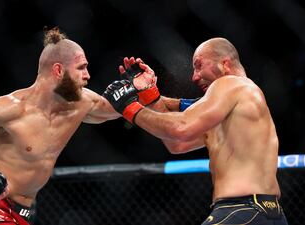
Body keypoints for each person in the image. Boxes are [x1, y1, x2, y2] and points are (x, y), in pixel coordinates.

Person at [0, 27, 155, 225]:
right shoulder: (10, 109)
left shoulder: (82, 103)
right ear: (58, 71)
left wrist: (139, 89)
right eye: (81, 68)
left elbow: (118, 109)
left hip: (26, 213)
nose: (88, 75)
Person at [103, 37, 288, 224]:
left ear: (225, 63)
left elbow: (181, 127)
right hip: (268, 213)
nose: (194, 76)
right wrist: (150, 95)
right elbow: (177, 144)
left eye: (199, 65)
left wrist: (128, 106)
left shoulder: (231, 83)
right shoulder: (238, 106)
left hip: (241, 210)